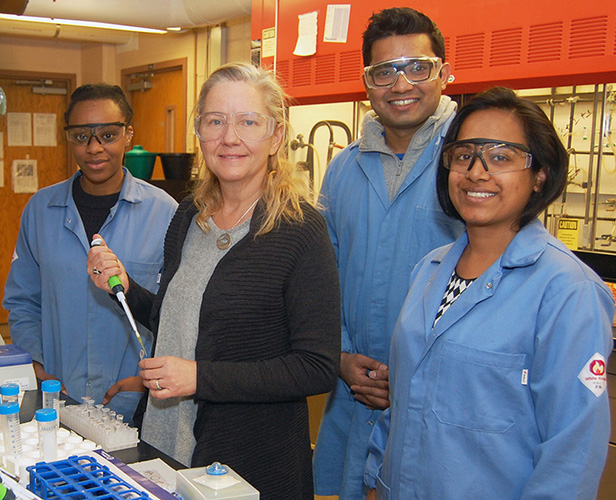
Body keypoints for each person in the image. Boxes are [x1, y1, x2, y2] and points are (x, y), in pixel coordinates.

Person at [87, 62, 341, 500]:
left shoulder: (301, 230)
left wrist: (201, 378)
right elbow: (177, 320)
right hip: (165, 445)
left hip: (249, 464)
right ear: (199, 133)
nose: (230, 137)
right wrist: (125, 287)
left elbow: (316, 367)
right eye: (215, 121)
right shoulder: (189, 216)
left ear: (276, 136)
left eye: (248, 121)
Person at [364, 87, 614, 500]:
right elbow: (405, 396)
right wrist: (376, 478)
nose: (476, 172)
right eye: (463, 156)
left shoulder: (567, 291)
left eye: (501, 157)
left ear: (540, 175)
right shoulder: (428, 271)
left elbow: (573, 450)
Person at [312, 7, 464, 498]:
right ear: (367, 82)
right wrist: (336, 354)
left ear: (442, 70)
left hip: (442, 395)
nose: (402, 84)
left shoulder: (471, 162)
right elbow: (322, 273)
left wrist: (411, 372)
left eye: (417, 67)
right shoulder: (343, 170)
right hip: (354, 387)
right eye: (384, 71)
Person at [3, 83, 178, 423]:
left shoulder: (165, 213)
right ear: (69, 138)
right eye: (82, 136)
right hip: (57, 399)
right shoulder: (40, 210)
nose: (95, 148)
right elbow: (23, 302)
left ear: (128, 135)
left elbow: (176, 313)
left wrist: (149, 376)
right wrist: (36, 364)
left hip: (134, 404)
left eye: (109, 135)